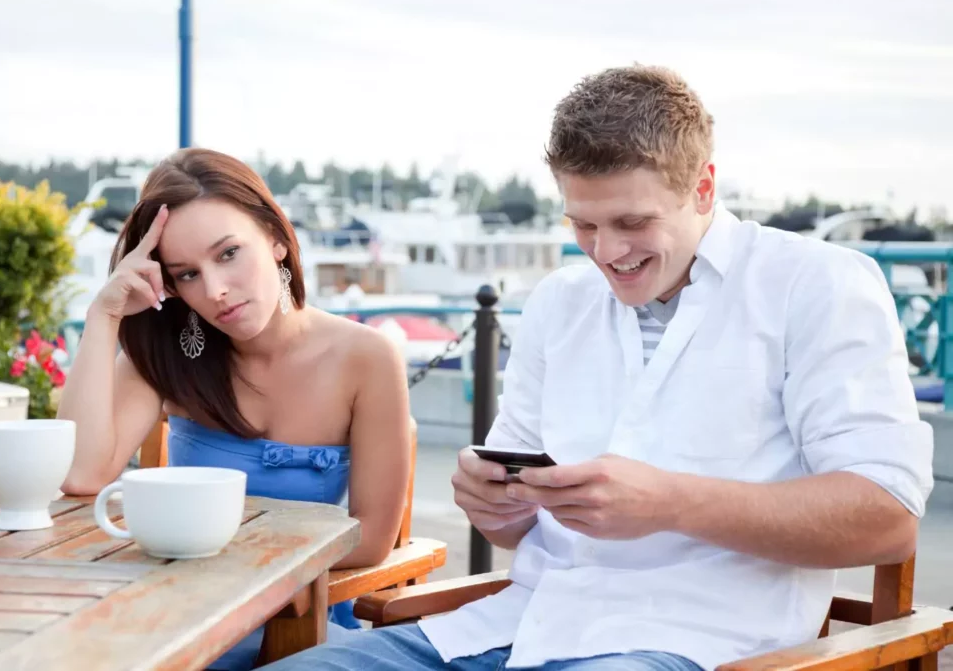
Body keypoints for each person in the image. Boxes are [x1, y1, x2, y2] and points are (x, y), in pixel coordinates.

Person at [259, 64, 935, 670]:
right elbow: (513, 528)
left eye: (632, 221)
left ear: (703, 187)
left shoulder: (816, 285)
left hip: (697, 642)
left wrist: (671, 502)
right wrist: (490, 501)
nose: (605, 252)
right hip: (519, 624)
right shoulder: (559, 301)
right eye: (582, 224)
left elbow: (888, 516)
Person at [57, 148, 412, 670]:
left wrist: (224, 559)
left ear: (273, 236)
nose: (216, 290)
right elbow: (80, 473)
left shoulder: (366, 358)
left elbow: (373, 539)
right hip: (176, 615)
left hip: (297, 624)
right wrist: (104, 314)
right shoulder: (169, 356)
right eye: (187, 275)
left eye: (227, 254)